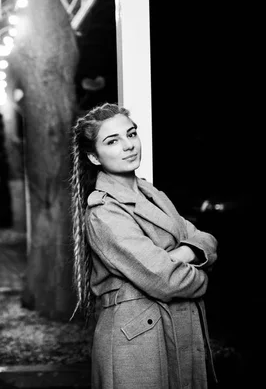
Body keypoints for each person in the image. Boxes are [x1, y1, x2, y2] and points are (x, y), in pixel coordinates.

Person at [69, 103, 218, 388]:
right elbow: (167, 280)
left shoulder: (152, 193)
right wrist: (199, 272)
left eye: (131, 134)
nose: (128, 146)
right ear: (94, 156)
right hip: (137, 342)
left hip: (175, 328)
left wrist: (175, 256)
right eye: (112, 141)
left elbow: (206, 239)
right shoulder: (104, 212)